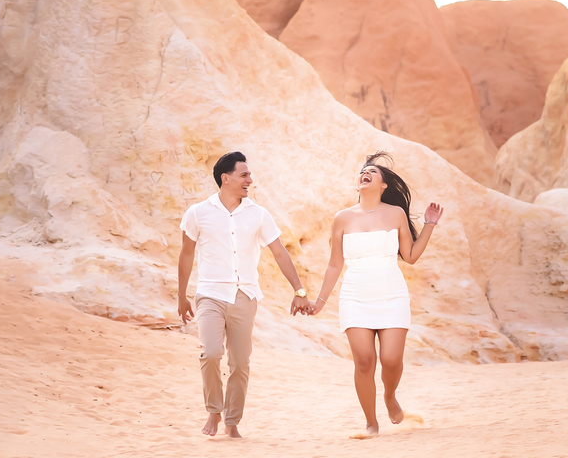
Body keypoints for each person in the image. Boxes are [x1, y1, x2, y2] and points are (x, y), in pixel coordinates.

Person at [307, 151, 444, 437]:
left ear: (383, 185)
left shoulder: (396, 214)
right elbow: (335, 264)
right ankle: (371, 423)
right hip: (355, 295)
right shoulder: (342, 218)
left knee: (392, 360)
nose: (365, 174)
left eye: (373, 172)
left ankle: (390, 396)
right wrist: (320, 302)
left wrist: (430, 224)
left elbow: (410, 256)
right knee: (365, 361)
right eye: (362, 172)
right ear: (357, 182)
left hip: (391, 294)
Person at [177, 151, 311, 438]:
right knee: (211, 353)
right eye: (244, 175)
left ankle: (232, 422)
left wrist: (299, 290)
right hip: (210, 294)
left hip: (244, 296)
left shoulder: (259, 214)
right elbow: (186, 254)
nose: (250, 180)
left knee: (240, 362)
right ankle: (214, 410)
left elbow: (279, 253)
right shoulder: (197, 213)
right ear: (226, 179)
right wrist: (182, 295)